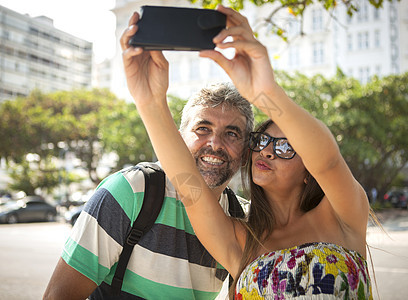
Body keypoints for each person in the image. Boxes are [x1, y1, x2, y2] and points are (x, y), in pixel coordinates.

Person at [130, 5, 373, 299]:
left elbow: (328, 160)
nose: (267, 151)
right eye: (261, 141)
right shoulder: (242, 241)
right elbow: (188, 186)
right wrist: (149, 101)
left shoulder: (342, 217)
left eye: (284, 146)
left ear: (309, 171)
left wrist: (264, 94)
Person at [42, 14, 254, 298]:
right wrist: (150, 99)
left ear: (245, 152)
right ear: (178, 139)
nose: (214, 143)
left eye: (232, 133)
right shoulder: (131, 192)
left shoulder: (244, 220)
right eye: (203, 128)